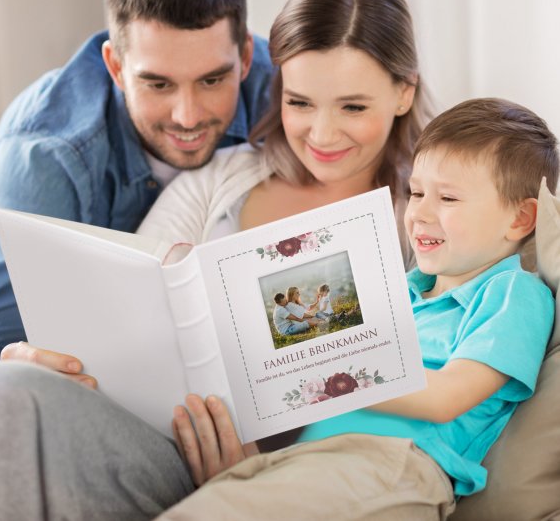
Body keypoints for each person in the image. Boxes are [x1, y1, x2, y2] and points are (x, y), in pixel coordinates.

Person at [0, 0, 433, 520]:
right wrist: (45, 359)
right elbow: (126, 294)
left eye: (353, 108)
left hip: (286, 475)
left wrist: (253, 473)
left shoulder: (423, 219)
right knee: (3, 391)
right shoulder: (225, 176)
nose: (322, 133)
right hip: (146, 439)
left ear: (403, 91)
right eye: (300, 103)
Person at [157, 98, 557, 520]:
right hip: (306, 460)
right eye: (416, 192)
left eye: (448, 198)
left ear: (519, 219)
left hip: (393, 465)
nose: (419, 212)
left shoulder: (514, 293)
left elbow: (446, 397)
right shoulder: (397, 289)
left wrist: (328, 367)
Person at [0, 0, 273, 391]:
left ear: (245, 57)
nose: (187, 116)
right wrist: (12, 377)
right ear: (115, 66)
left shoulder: (288, 95)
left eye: (212, 80)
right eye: (157, 84)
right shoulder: (45, 157)